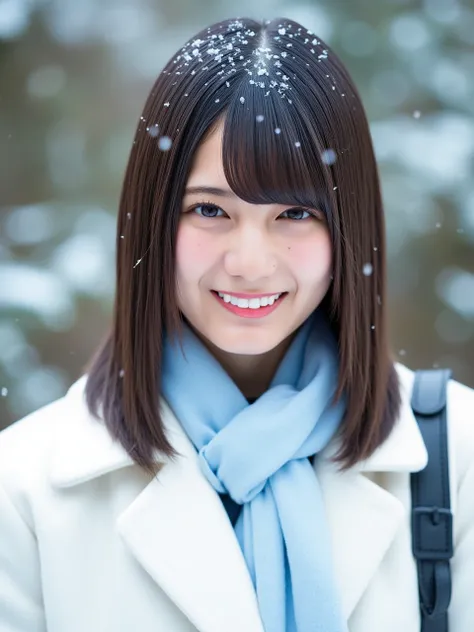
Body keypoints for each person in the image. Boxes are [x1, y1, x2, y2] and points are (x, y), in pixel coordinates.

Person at [0, 15, 473, 632]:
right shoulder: (25, 489)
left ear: (348, 229)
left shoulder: (454, 459)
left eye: (296, 213)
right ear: (153, 223)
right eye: (209, 210)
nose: (250, 262)